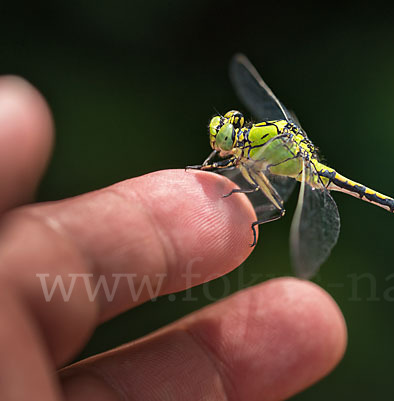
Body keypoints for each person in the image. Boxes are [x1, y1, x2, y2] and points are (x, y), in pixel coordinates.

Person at [0, 76, 347, 400]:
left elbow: (253, 181)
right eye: (225, 132)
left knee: (272, 204)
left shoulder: (263, 152)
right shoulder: (250, 145)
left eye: (225, 137)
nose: (223, 139)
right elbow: (236, 166)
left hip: (307, 167)